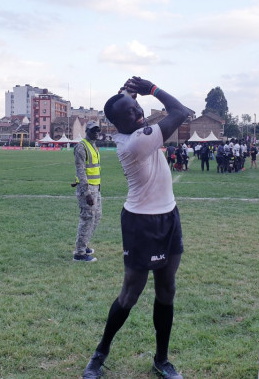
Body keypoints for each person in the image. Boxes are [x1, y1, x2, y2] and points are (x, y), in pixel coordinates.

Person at [83, 77, 190, 379]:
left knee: (167, 288)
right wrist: (152, 89)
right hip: (141, 221)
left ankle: (162, 359)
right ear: (116, 124)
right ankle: (100, 353)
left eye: (137, 107)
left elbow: (124, 103)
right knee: (130, 293)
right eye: (129, 112)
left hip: (168, 215)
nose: (137, 112)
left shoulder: (133, 128)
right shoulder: (135, 142)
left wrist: (129, 93)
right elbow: (181, 112)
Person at [72, 121, 102, 262]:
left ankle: (84, 244)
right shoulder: (81, 147)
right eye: (93, 130)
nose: (96, 132)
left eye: (97, 130)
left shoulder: (93, 146)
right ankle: (79, 253)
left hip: (96, 187)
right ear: (87, 131)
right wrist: (87, 192)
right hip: (88, 189)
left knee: (96, 217)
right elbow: (81, 170)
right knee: (87, 218)